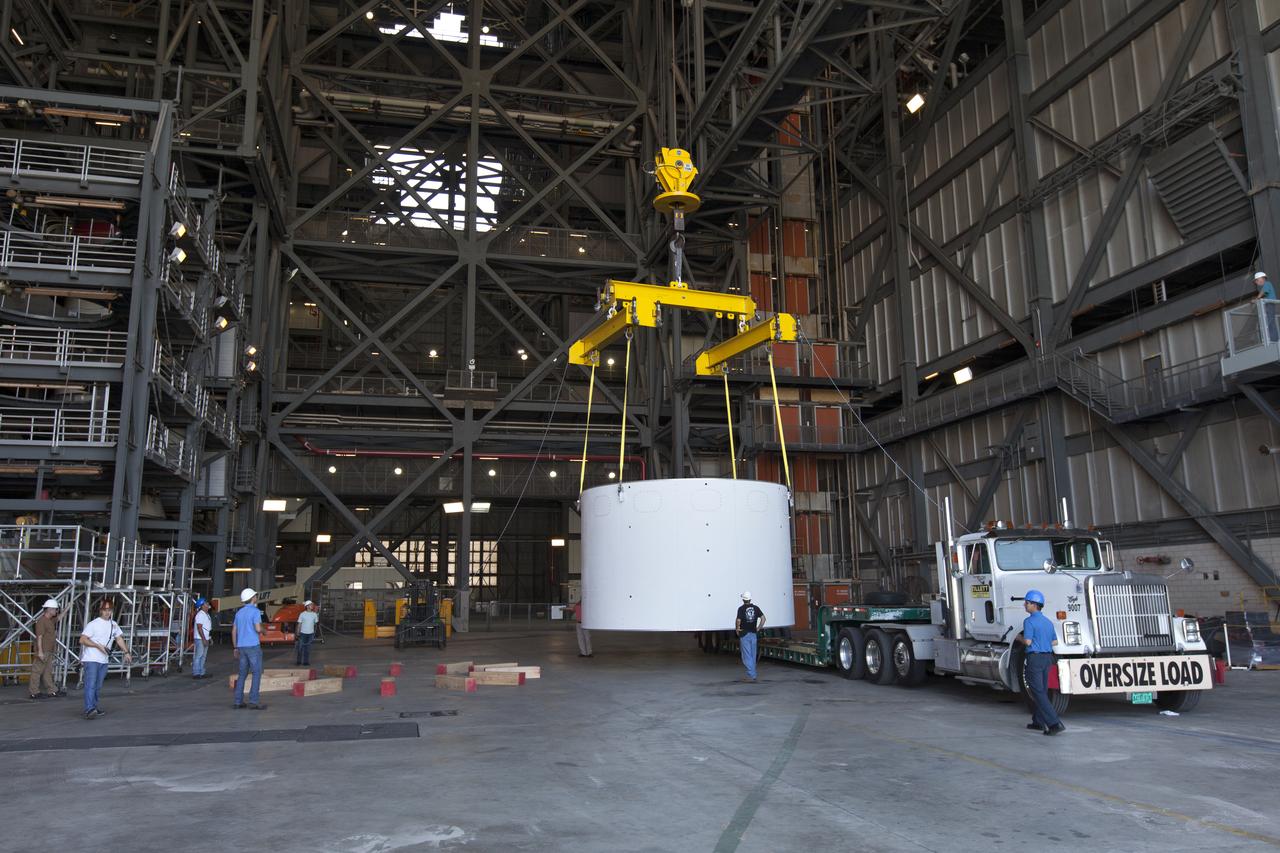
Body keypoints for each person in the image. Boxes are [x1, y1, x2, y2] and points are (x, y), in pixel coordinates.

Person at [1020, 589, 1064, 736]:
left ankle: (1054, 723)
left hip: (1035, 659)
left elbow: (1027, 641)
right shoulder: (1048, 622)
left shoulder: (1029, 621)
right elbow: (1055, 641)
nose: (1025, 605)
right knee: (1042, 690)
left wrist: (1017, 638)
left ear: (1034, 604)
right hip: (1047, 659)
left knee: (1037, 691)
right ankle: (1038, 721)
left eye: (1027, 602)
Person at [79, 599, 132, 719]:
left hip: (104, 659)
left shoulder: (113, 625)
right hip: (91, 658)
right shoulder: (93, 624)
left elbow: (119, 639)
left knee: (97, 685)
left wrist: (126, 652)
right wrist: (97, 646)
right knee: (91, 684)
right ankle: (89, 709)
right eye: (105, 610)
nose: (107, 612)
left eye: (109, 610)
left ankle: (93, 707)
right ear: (101, 610)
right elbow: (82, 639)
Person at [232, 588, 267, 710]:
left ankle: (238, 701)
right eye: (255, 596)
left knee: (242, 674)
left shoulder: (239, 613)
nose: (256, 597)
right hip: (253, 646)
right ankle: (253, 701)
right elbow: (257, 628)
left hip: (241, 647)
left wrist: (235, 647)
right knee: (256, 673)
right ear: (253, 598)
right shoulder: (255, 611)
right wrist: (264, 631)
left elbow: (234, 631)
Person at [29, 598, 65, 700]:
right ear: (49, 609)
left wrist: (67, 608)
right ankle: (34, 692)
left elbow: (59, 618)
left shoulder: (49, 620)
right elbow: (39, 637)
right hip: (43, 650)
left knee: (47, 671)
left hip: (48, 650)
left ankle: (52, 690)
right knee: (37, 671)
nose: (56, 611)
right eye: (54, 609)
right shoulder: (41, 621)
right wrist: (40, 651)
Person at [735, 592, 766, 683]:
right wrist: (758, 628)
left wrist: (737, 628)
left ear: (743, 599)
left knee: (746, 656)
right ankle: (752, 674)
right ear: (750, 599)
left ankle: (752, 675)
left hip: (744, 634)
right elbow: (763, 618)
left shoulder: (741, 609)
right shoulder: (756, 608)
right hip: (753, 633)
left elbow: (738, 620)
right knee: (752, 655)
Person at [192, 598, 212, 679]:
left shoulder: (206, 614)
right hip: (200, 638)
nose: (208, 604)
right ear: (202, 606)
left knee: (203, 656)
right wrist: (204, 639)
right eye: (206, 603)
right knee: (199, 656)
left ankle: (201, 672)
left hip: (205, 638)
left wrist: (209, 638)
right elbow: (199, 628)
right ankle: (196, 673)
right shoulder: (200, 614)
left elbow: (206, 628)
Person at [295, 600, 319, 666]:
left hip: (310, 634)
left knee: (307, 648)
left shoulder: (314, 614)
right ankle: (299, 661)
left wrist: (317, 613)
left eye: (312, 605)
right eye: (311, 605)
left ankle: (306, 662)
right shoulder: (302, 614)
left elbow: (316, 623)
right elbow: (299, 624)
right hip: (302, 633)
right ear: (307, 606)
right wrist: (297, 633)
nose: (312, 606)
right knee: (300, 648)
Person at [1256, 271, 1279, 343]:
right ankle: (1273, 338)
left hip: (1270, 303)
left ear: (1262, 278)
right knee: (1270, 321)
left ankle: (1273, 339)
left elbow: (1263, 292)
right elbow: (1263, 291)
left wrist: (1257, 299)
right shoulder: (1267, 285)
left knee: (1269, 321)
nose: (1256, 282)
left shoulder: (1267, 284)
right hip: (1269, 303)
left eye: (1257, 280)